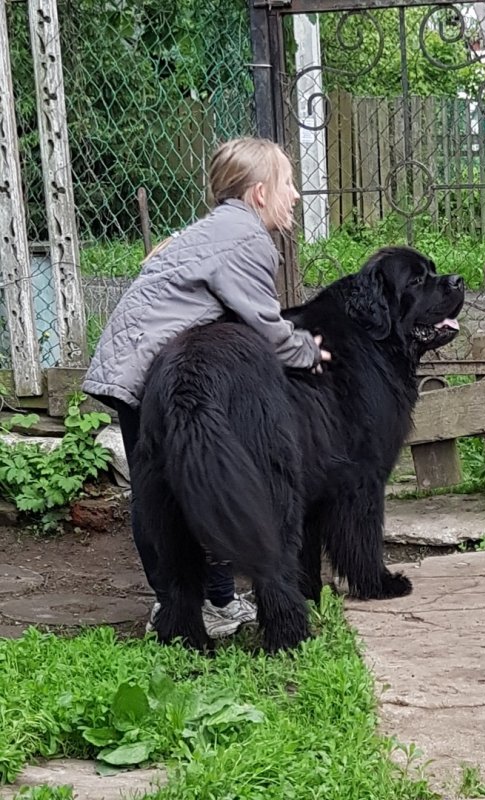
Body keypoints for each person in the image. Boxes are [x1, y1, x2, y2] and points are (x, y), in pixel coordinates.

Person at [83, 137, 331, 638]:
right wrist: (308, 350)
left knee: (168, 484)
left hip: (135, 366)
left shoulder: (215, 230)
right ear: (260, 193)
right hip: (146, 372)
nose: (297, 196)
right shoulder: (246, 240)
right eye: (289, 183)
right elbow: (264, 324)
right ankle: (185, 602)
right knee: (168, 483)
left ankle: (202, 602)